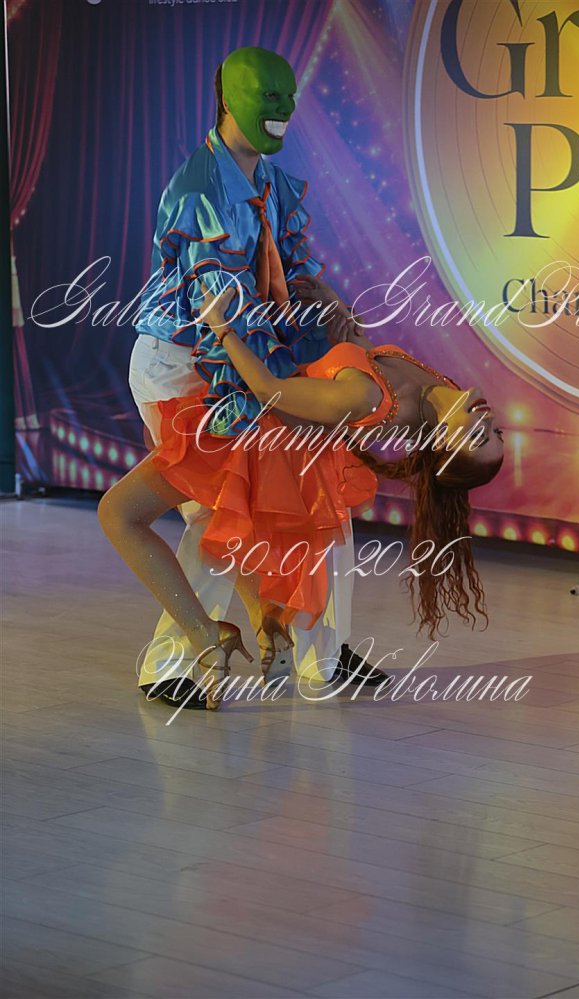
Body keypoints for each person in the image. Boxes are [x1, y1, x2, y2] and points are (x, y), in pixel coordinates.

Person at [99, 278, 504, 710]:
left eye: (478, 438)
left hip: (257, 435)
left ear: (439, 443)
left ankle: (203, 648)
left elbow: (271, 390)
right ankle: (274, 634)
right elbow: (360, 356)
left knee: (210, 529)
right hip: (278, 428)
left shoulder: (373, 400)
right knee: (244, 533)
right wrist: (340, 314)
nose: (487, 422)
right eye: (496, 432)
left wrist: (221, 327)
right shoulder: (436, 389)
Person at [128, 45, 387, 710]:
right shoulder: (200, 192)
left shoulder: (268, 180)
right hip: (188, 365)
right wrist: (268, 400)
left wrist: (324, 308)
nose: (284, 107)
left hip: (250, 357)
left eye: (288, 94)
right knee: (218, 513)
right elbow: (219, 319)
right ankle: (172, 663)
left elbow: (287, 273)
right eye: (269, 94)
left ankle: (320, 650)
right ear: (227, 98)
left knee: (317, 494)